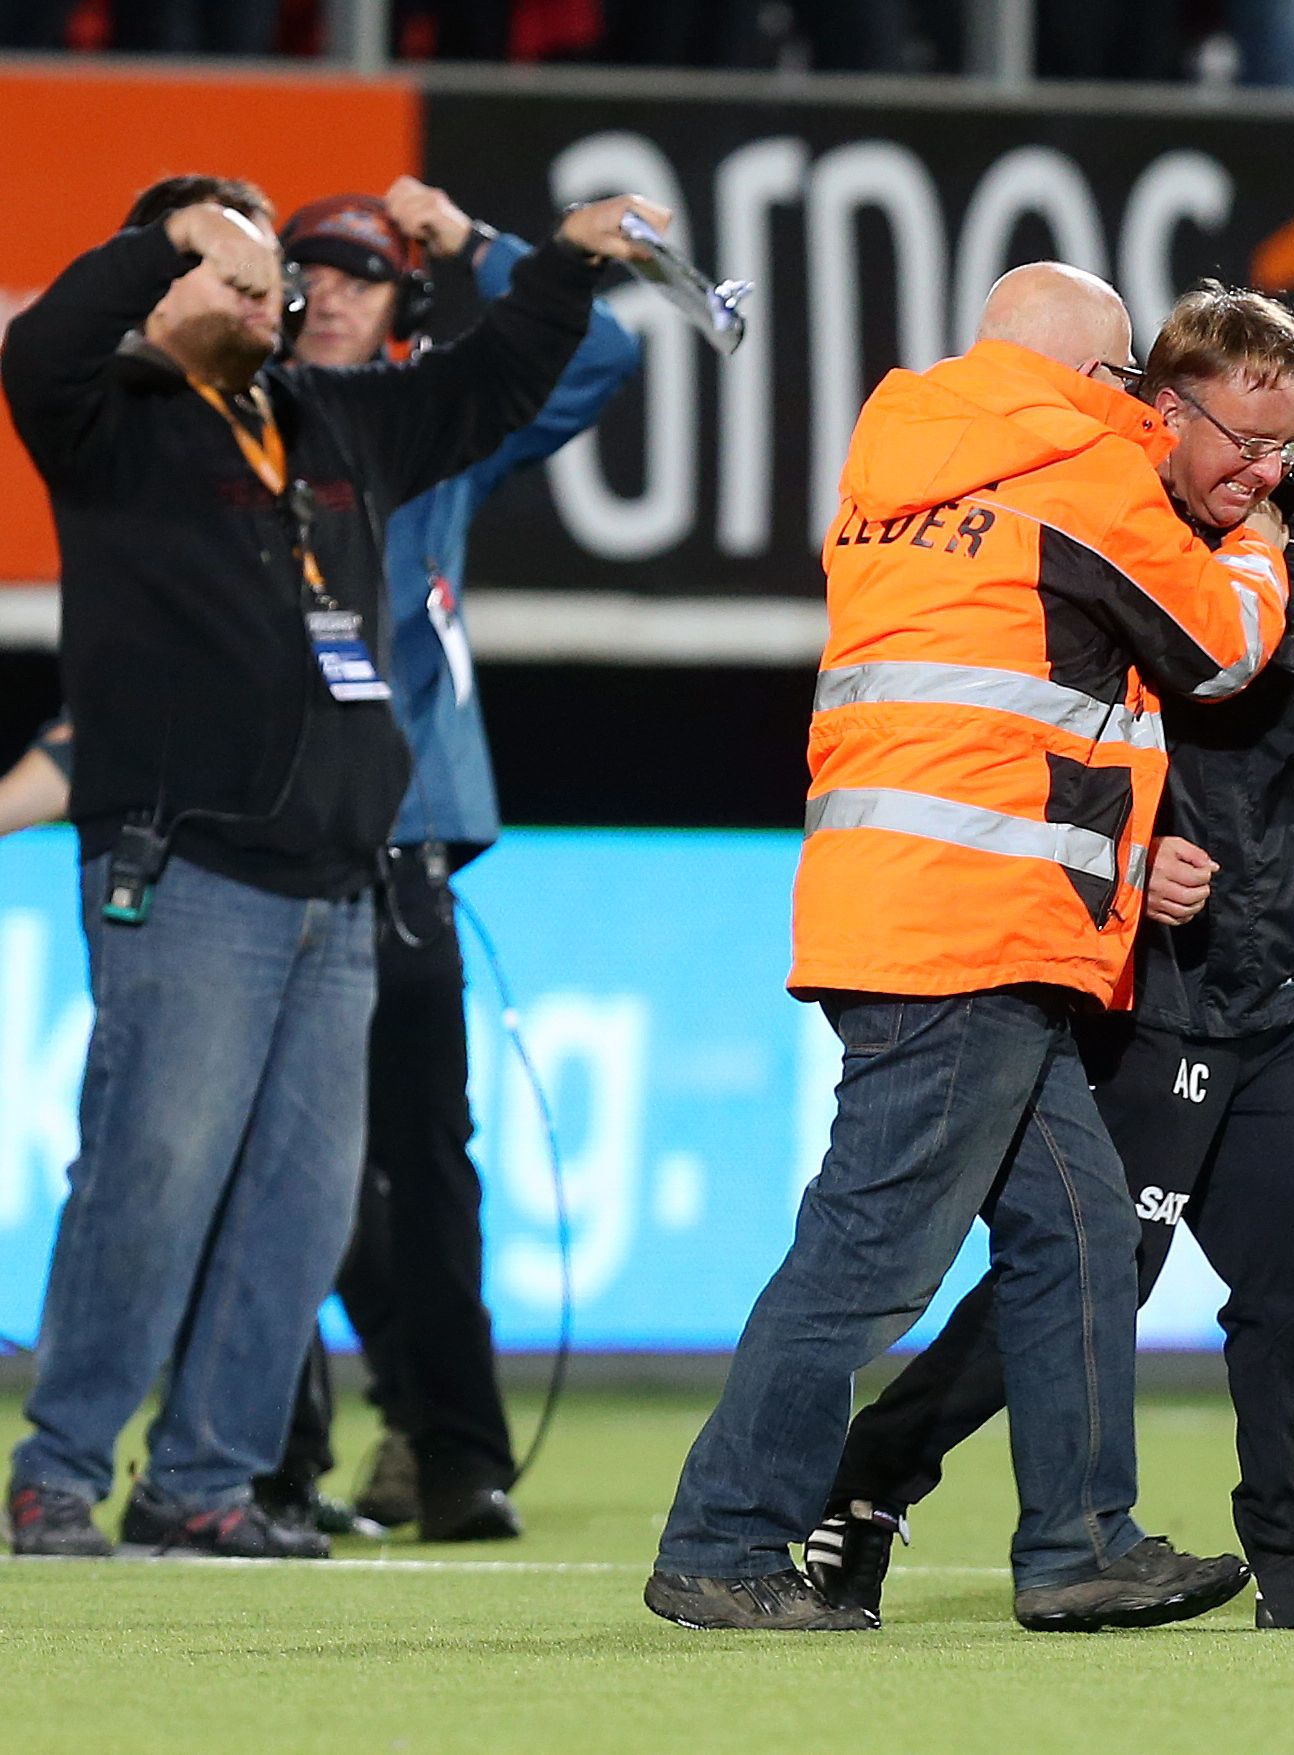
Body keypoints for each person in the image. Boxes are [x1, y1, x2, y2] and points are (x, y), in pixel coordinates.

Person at [804, 283, 1294, 1633]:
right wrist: (1137, 859)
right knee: (1089, 1274)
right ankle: (869, 1480)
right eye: (1247, 440)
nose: (1267, 472)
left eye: (1290, 446)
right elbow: (1037, 729)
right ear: (1162, 409)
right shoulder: (1096, 521)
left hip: (1259, 980)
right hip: (1137, 983)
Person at [3, 172, 666, 1559]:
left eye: (275, 279)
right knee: (151, 1175)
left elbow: (494, 383)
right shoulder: (110, 421)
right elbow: (40, 347)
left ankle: (207, 1479)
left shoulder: (333, 420)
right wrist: (166, 239)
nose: (271, 296)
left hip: (341, 883)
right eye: (235, 272)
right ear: (165, 282)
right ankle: (57, 1472)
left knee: (303, 1207)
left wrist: (554, 262)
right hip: (190, 868)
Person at [646, 262, 1289, 1635]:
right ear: (1091, 379)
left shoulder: (895, 472)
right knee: (868, 1256)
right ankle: (723, 1539)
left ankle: (1078, 1546)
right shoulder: (1079, 466)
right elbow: (1220, 647)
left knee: (1076, 1233)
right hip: (973, 923)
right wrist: (1260, 546)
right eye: (1124, 377)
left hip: (903, 903)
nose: (1135, 403)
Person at [254, 179, 644, 1541]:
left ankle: (452, 1447)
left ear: (405, 302)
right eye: (309, 271)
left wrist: (479, 241)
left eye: (364, 274)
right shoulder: (230, 424)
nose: (332, 294)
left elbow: (602, 348)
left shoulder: (434, 424)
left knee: (421, 1163)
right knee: (277, 1154)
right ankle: (275, 1452)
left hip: (397, 839)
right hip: (258, 838)